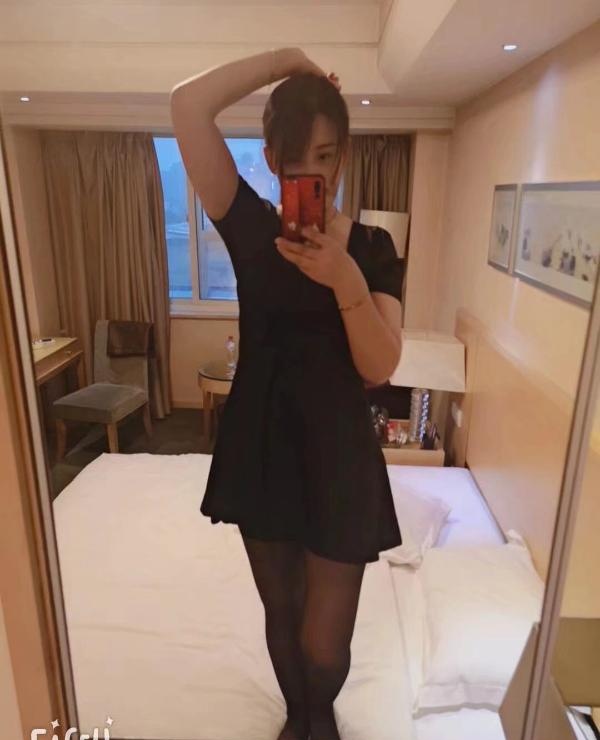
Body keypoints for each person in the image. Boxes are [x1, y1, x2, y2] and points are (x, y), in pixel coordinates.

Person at [171, 47, 404, 740]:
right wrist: (283, 61)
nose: (313, 174)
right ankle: (298, 719)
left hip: (340, 456)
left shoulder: (372, 247)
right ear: (270, 160)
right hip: (263, 446)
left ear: (345, 154)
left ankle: (319, 714)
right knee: (282, 612)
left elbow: (380, 366)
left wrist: (345, 280)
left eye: (326, 156)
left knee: (324, 640)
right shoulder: (249, 227)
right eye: (295, 159)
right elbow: (186, 105)